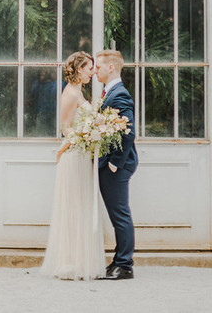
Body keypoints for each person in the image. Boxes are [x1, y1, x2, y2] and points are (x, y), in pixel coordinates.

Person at [41, 51, 106, 280]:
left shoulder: (79, 91)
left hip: (82, 155)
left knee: (82, 206)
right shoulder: (69, 93)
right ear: (79, 69)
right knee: (74, 207)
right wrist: (84, 137)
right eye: (89, 68)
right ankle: (69, 263)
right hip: (73, 155)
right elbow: (65, 127)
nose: (92, 72)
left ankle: (81, 261)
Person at [94, 49, 138, 280]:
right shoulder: (109, 93)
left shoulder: (119, 94)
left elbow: (128, 131)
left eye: (98, 67)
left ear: (110, 67)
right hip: (111, 164)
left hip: (117, 166)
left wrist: (114, 163)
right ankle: (118, 261)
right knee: (116, 214)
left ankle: (124, 265)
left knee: (120, 214)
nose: (95, 71)